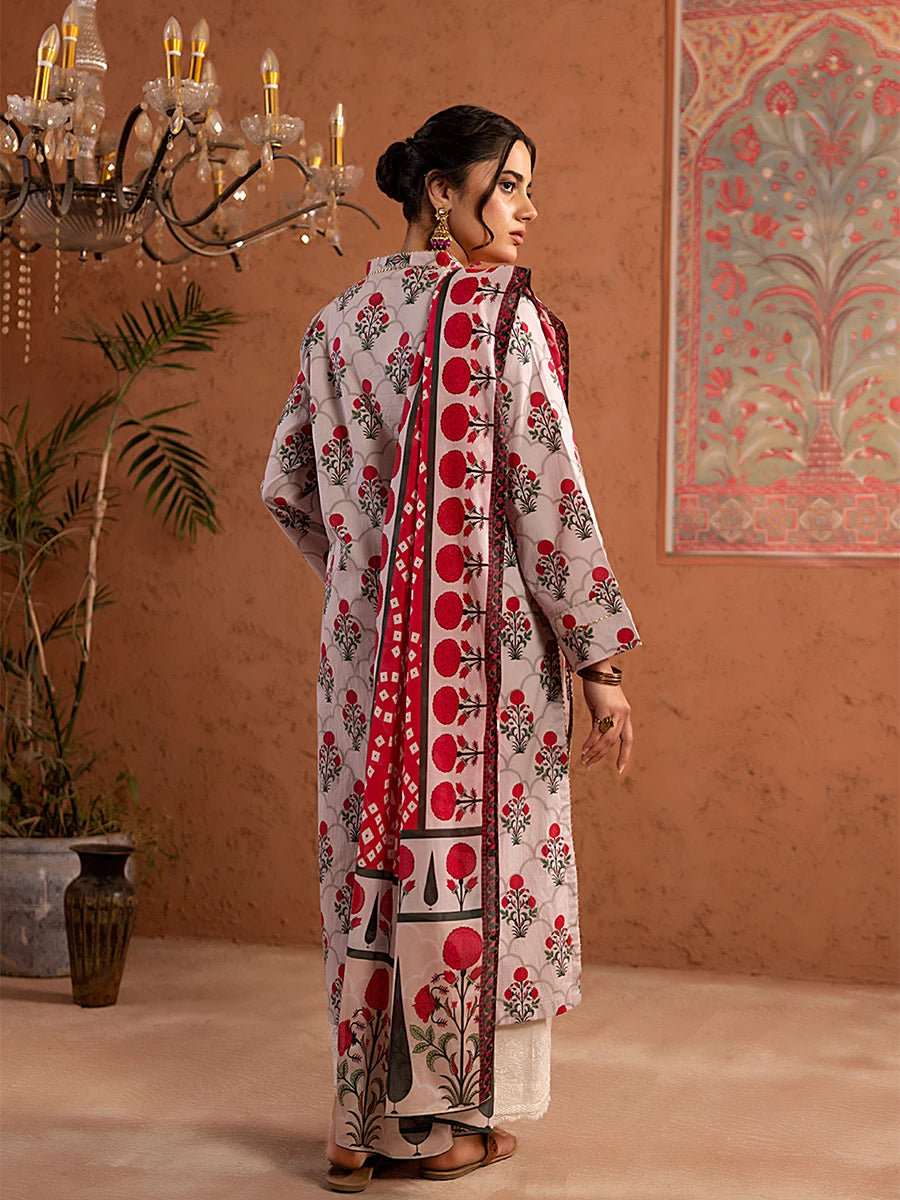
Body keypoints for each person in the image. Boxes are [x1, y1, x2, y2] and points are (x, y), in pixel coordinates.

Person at [261, 105, 640, 1193]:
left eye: (527, 185)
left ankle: (366, 1123)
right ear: (442, 192)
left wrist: (369, 586)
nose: (527, 209)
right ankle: (449, 1126)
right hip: (482, 667)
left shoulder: (336, 324)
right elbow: (550, 497)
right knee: (482, 869)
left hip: (365, 662)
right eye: (507, 183)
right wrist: (602, 668)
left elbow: (287, 487)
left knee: (372, 866)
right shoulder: (497, 321)